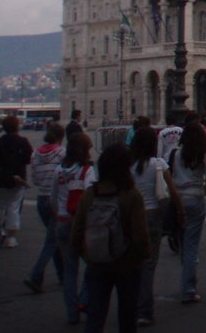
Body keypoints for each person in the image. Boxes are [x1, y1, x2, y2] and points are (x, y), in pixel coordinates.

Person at [71, 142, 152, 333]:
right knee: (127, 316)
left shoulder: (90, 194)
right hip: (127, 264)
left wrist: (86, 253)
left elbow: (77, 230)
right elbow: (140, 234)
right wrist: (145, 254)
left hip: (97, 262)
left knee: (96, 316)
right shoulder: (132, 195)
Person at [130, 126, 183, 326]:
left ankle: (131, 305)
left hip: (132, 217)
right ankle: (144, 310)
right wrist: (180, 212)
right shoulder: (158, 164)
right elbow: (172, 191)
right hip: (152, 216)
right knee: (148, 264)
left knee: (133, 262)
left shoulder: (128, 165)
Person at [169, 121, 206, 303]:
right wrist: (205, 189)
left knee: (183, 244)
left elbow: (171, 178)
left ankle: (186, 278)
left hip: (179, 201)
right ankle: (188, 288)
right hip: (195, 200)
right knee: (191, 246)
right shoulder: (202, 157)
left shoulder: (176, 154)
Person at [51, 131, 97, 324]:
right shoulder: (87, 170)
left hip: (62, 222)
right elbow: (90, 198)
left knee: (70, 271)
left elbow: (53, 198)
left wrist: (59, 214)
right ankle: (84, 299)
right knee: (94, 265)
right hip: (81, 224)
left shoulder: (59, 170)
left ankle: (72, 313)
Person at [24, 122, 66, 293]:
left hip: (41, 198)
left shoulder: (35, 154)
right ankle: (35, 275)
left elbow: (34, 179)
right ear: (61, 137)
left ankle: (62, 274)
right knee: (51, 240)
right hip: (55, 199)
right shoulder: (62, 153)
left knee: (53, 237)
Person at [0, 114, 34, 248]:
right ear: (17, 127)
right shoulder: (23, 141)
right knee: (13, 207)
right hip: (18, 179)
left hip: (0, 179)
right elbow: (28, 159)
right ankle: (11, 237)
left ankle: (0, 231)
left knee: (0, 206)